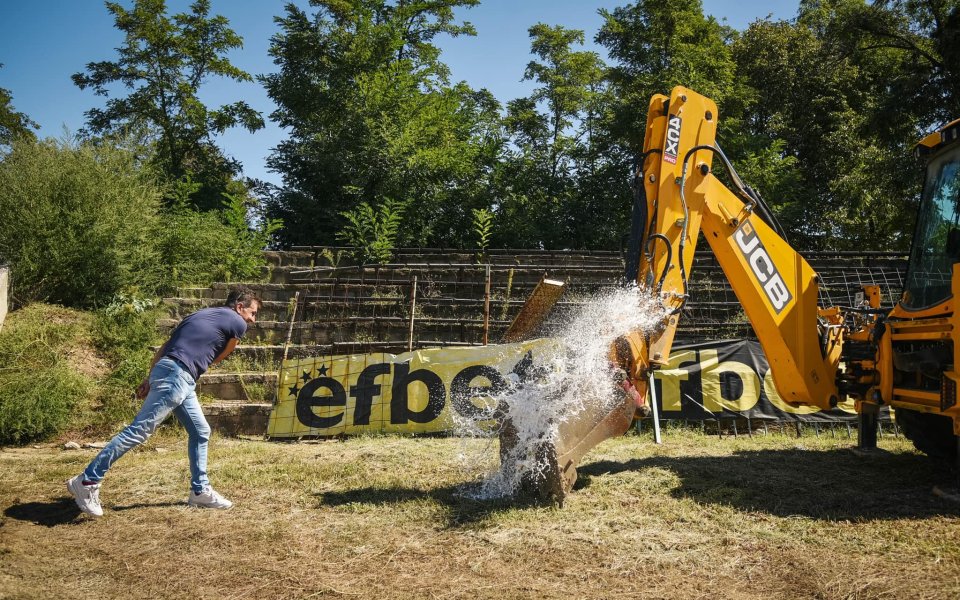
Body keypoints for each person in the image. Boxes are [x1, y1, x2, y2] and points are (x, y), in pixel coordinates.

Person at [67, 286, 260, 517]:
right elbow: (222, 355)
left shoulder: (197, 315)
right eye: (252, 313)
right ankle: (87, 481)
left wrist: (150, 377)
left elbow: (165, 347)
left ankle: (200, 491)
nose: (253, 320)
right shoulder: (237, 322)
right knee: (140, 430)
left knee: (200, 431)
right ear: (240, 307)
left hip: (170, 370)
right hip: (179, 375)